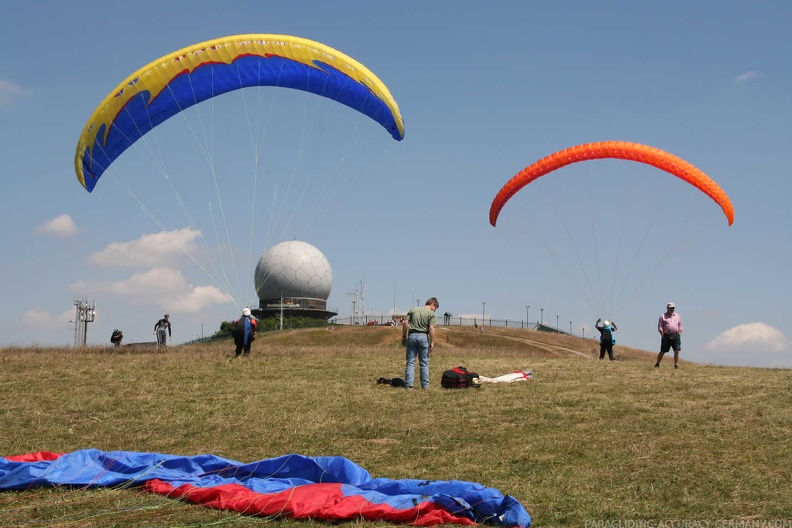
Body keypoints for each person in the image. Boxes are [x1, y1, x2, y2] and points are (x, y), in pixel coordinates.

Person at [401, 297, 439, 389]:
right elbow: (431, 328)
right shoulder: (432, 314)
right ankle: (425, 386)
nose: (435, 310)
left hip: (412, 336)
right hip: (423, 337)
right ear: (432, 304)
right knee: (424, 363)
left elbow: (406, 323)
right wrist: (432, 342)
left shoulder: (413, 310)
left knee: (410, 362)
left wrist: (404, 336)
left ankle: (409, 385)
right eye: (435, 308)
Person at [656, 302, 683, 368]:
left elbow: (680, 325)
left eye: (673, 308)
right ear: (667, 308)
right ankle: (657, 363)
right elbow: (660, 326)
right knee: (663, 351)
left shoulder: (677, 316)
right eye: (671, 307)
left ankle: (676, 364)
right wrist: (662, 335)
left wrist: (679, 333)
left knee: (677, 350)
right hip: (666, 336)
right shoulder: (662, 316)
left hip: (675, 335)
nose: (672, 309)